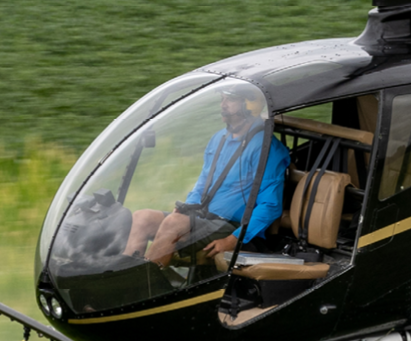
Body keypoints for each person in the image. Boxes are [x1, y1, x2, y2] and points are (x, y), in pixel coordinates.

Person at [122, 83, 288, 267]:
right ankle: (127, 275)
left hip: (232, 227)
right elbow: (203, 183)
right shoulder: (219, 139)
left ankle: (147, 285)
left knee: (173, 224)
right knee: (142, 217)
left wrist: (233, 240)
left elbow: (270, 205)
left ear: (250, 105)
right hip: (203, 218)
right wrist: (187, 207)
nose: (223, 105)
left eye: (230, 99)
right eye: (222, 99)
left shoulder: (267, 149)